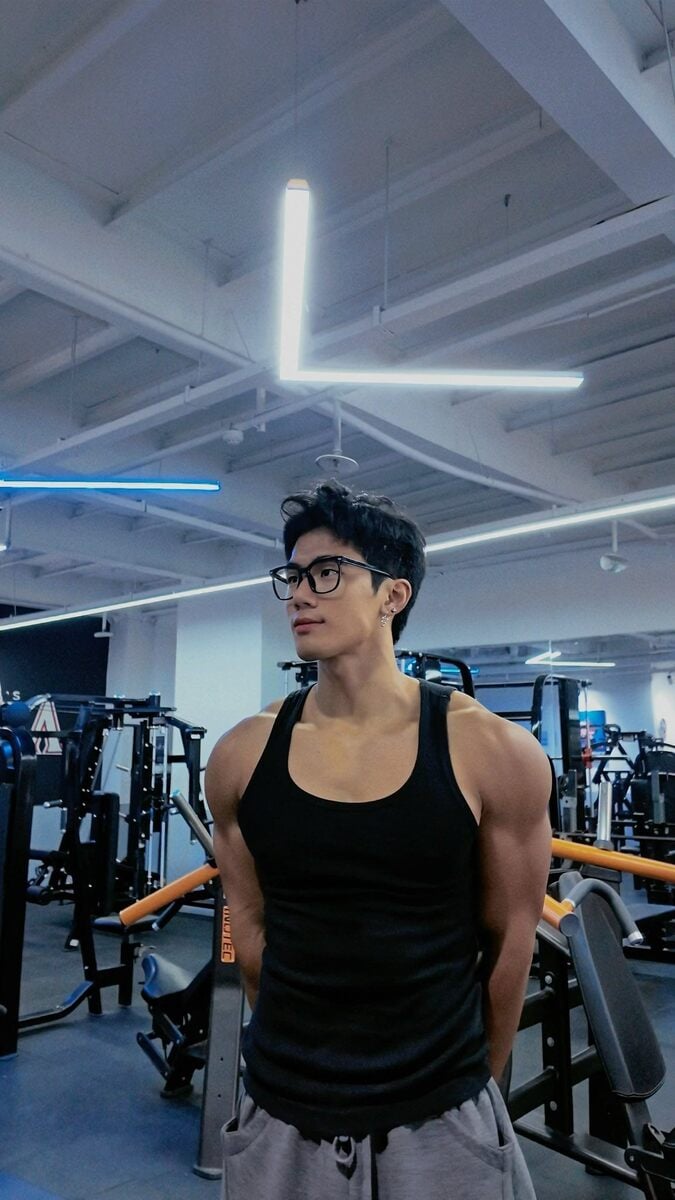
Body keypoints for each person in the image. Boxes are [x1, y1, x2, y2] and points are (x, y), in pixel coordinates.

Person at [205, 481, 552, 1200]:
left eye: (327, 573)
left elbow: (510, 943)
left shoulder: (491, 752)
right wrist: (298, 1064)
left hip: (440, 1112)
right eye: (293, 576)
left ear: (393, 595)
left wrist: (472, 1094)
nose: (300, 594)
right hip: (280, 1108)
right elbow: (250, 932)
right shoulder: (240, 756)